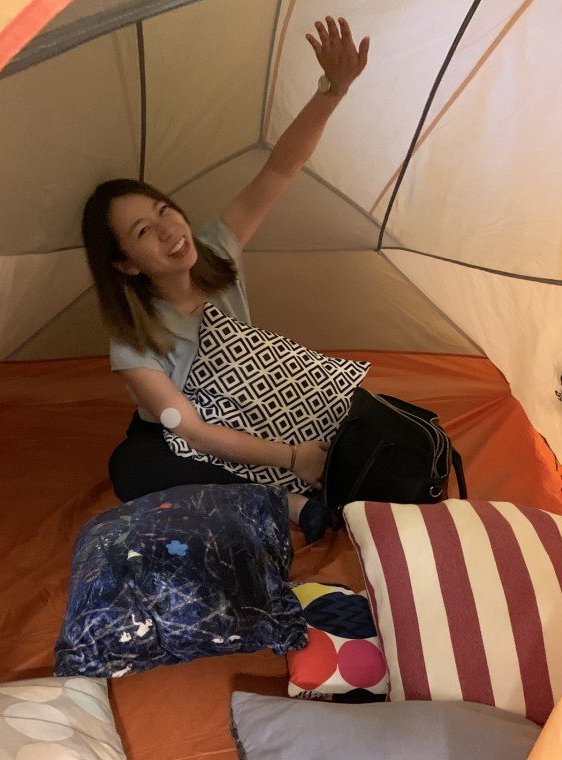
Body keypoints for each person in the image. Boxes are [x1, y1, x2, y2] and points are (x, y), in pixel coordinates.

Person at [82, 16, 369, 542]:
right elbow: (190, 430)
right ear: (126, 264)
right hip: (182, 432)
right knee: (133, 468)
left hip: (250, 408)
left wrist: (333, 90)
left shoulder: (215, 248)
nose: (169, 230)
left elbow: (279, 169)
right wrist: (292, 458)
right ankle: (281, 500)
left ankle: (290, 481)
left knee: (351, 426)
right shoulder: (132, 338)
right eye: (144, 231)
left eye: (164, 210)